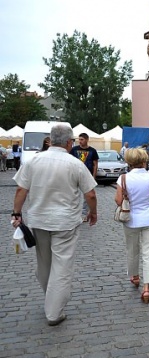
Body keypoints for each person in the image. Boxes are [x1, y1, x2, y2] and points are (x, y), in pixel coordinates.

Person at [11, 124, 98, 326]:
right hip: (65, 222)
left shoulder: (34, 161)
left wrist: (17, 213)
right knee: (62, 265)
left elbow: (20, 190)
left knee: (44, 263)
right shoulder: (74, 163)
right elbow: (90, 194)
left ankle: (50, 297)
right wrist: (93, 213)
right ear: (69, 142)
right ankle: (54, 312)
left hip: (39, 220)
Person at [115, 148, 149, 304]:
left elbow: (118, 200)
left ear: (129, 162)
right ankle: (147, 289)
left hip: (131, 220)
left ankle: (135, 277)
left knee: (132, 249)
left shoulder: (123, 179)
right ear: (144, 161)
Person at [70, 133, 99, 221]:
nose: (80, 141)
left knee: (87, 196)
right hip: (75, 175)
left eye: (82, 139)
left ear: (87, 140)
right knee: (75, 194)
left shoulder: (92, 151)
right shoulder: (74, 150)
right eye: (79, 139)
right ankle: (74, 212)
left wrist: (94, 176)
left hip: (87, 175)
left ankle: (84, 214)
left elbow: (95, 164)